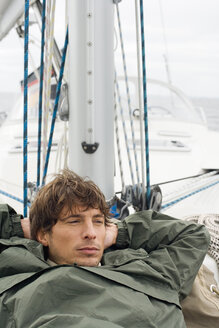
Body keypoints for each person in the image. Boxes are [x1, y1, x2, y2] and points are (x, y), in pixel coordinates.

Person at [0, 169, 210, 328]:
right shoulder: (14, 269)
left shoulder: (146, 270)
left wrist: (122, 232)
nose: (90, 233)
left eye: (98, 221)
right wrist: (17, 227)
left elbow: (194, 235)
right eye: (74, 221)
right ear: (43, 234)